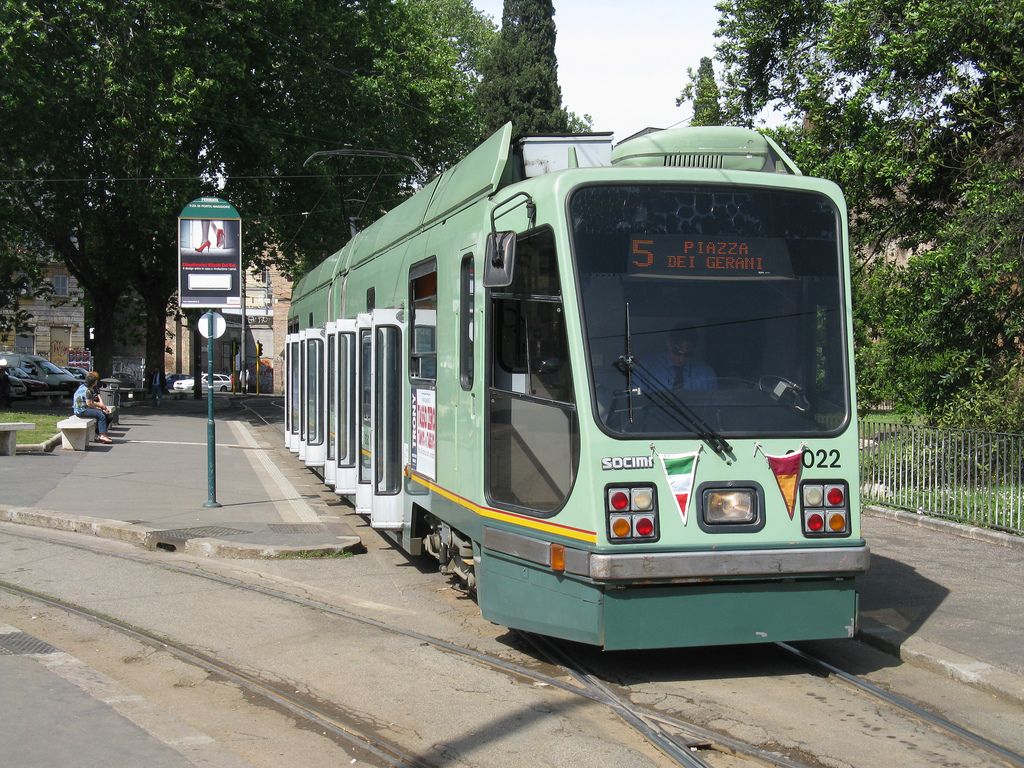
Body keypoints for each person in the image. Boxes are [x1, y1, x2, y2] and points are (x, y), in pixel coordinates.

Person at [644, 326, 716, 390]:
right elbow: (637, 400)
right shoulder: (647, 368)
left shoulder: (706, 374)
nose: (681, 359)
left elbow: (714, 402)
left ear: (694, 349)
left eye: (687, 354)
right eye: (677, 353)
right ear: (669, 343)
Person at [73, 371, 113, 444]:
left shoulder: (83, 386)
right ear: (94, 382)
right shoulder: (87, 391)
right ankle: (102, 435)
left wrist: (99, 407)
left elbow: (89, 403)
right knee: (101, 415)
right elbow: (89, 404)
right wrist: (99, 408)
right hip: (81, 410)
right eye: (96, 380)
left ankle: (99, 434)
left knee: (104, 414)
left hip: (81, 409)